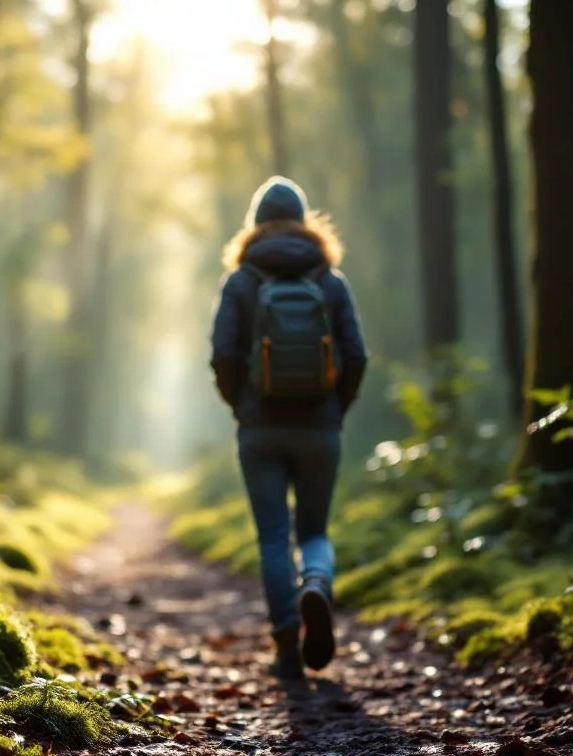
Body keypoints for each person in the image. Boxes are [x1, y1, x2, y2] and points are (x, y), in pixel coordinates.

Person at [209, 176, 368, 680]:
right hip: (320, 426)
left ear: (255, 226)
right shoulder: (330, 279)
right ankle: (316, 585)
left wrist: (242, 406)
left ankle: (285, 645)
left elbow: (223, 355)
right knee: (315, 529)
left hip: (260, 427)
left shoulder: (240, 281)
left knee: (274, 535)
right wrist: (335, 410)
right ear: (304, 222)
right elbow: (357, 356)